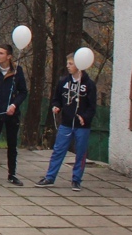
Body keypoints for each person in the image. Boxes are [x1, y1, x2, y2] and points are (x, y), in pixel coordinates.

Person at [37, 54, 97, 191]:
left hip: (82, 126)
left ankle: (76, 180)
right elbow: (57, 98)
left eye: (71, 63)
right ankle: (50, 177)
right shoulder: (63, 82)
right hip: (66, 124)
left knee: (80, 153)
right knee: (58, 150)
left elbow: (92, 107)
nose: (68, 66)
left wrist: (85, 117)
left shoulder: (89, 85)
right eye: (67, 63)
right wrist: (56, 106)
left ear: (79, 64)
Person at [0, 43, 28, 186]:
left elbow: (23, 92)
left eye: (2, 53)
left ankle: (12, 174)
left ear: (9, 56)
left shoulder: (17, 71)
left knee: (12, 144)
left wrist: (14, 105)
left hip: (11, 114)